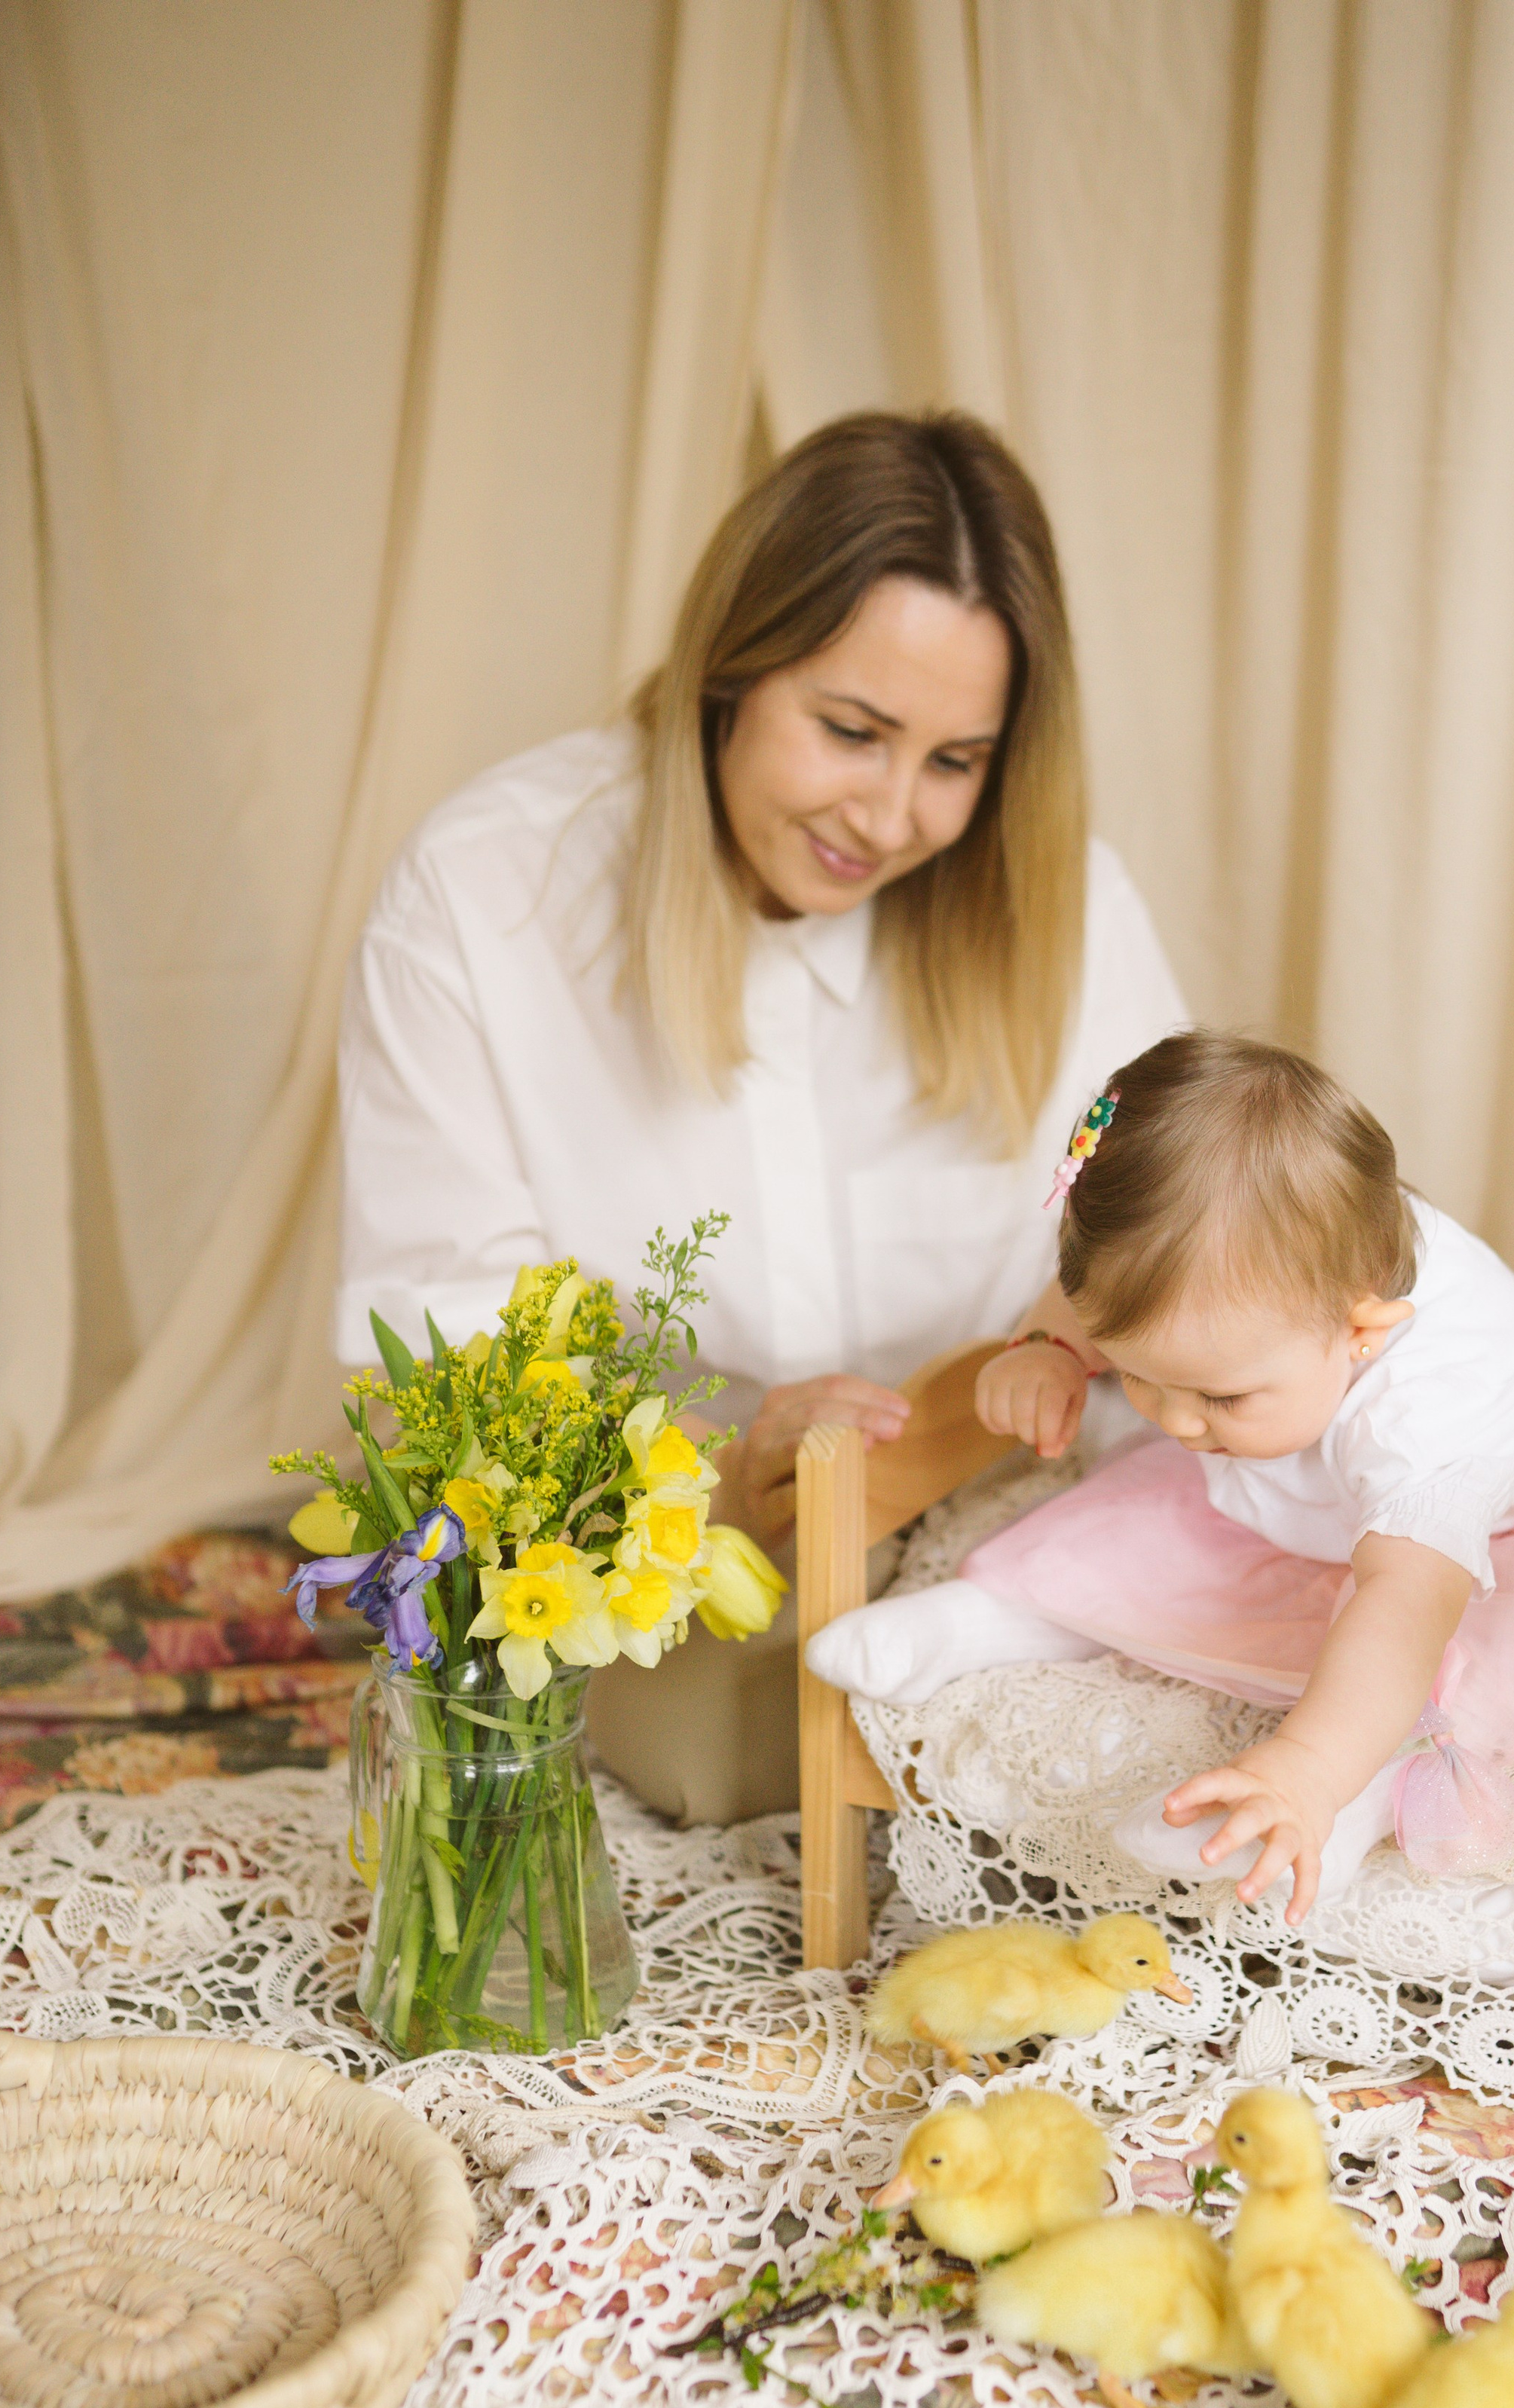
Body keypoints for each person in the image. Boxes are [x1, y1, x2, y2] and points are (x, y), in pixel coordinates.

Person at [338, 410, 1186, 1557]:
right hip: (628, 1603)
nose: (889, 820)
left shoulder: (1074, 910)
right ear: (730, 671)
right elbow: (439, 1379)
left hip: (1007, 1575)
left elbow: (1182, 1252)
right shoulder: (480, 899)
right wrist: (715, 1489)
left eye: (953, 763)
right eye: (850, 731)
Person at [808, 1031, 1514, 1918]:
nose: (1175, 1417)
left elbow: (1404, 1602)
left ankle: (1347, 1801)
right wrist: (1050, 1347)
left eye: (1218, 1395)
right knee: (1148, 1493)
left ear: (1363, 1332)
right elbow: (1100, 1287)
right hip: (1323, 1482)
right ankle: (998, 1615)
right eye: (1134, 1371)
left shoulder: (1440, 1409)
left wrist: (1305, 1765)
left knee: (1490, 1649)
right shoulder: (1263, 1293)